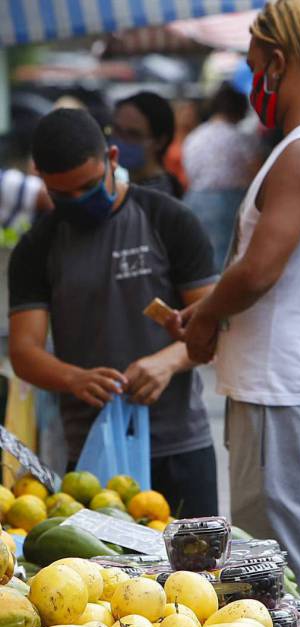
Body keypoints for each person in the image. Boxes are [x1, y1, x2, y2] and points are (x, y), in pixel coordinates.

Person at [166, 1, 300, 627]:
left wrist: (204, 320)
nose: (254, 84)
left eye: (255, 67)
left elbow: (258, 271)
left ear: (279, 63)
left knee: (287, 585)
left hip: (285, 395)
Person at [8, 108, 219, 517]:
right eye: (62, 195)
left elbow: (216, 324)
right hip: (91, 459)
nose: (78, 203)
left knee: (198, 577)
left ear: (114, 158)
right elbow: (24, 351)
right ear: (42, 180)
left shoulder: (169, 221)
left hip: (179, 447)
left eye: (88, 187)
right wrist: (73, 378)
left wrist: (167, 362)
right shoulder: (37, 248)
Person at [183, 84, 258, 270]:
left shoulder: (194, 137)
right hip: (229, 203)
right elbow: (256, 172)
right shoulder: (241, 138)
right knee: (227, 258)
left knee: (200, 256)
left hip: (194, 199)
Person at [112, 92, 184, 199]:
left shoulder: (157, 200)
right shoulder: (133, 188)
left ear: (159, 142)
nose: (121, 140)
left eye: (133, 134)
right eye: (117, 130)